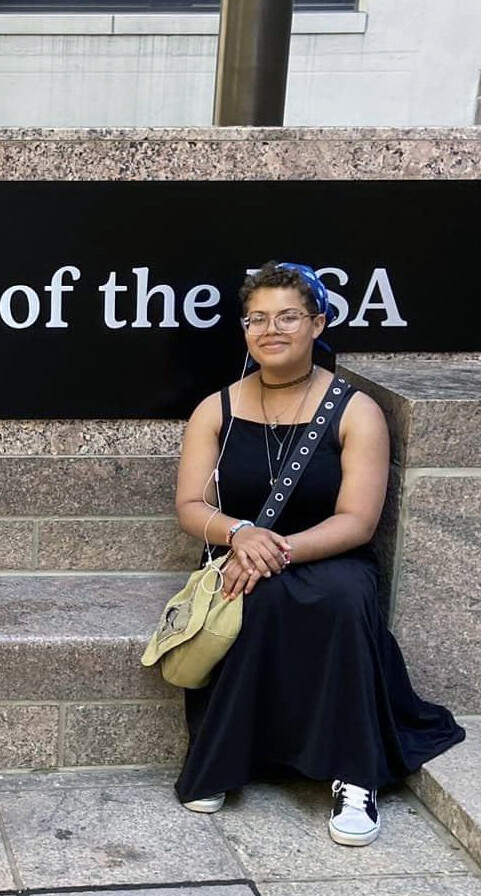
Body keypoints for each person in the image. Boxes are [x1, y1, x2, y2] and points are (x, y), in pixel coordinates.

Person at [171, 261, 463, 846]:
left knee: (344, 598)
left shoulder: (356, 411)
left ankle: (356, 776)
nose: (269, 329)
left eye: (287, 316)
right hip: (239, 550)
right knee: (247, 591)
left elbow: (358, 521)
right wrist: (238, 536)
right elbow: (189, 505)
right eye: (256, 318)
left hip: (328, 554)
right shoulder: (216, 409)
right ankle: (225, 762)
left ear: (318, 322)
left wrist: (273, 548)